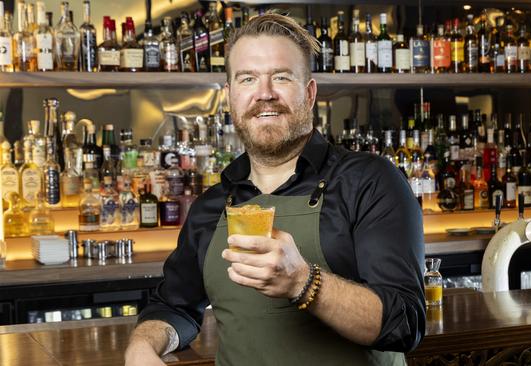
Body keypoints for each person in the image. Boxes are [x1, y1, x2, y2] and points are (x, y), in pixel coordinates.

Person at [125, 13, 425, 366]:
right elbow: (173, 305)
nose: (264, 94)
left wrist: (303, 282)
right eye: (248, 79)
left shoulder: (369, 182)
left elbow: (405, 322)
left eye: (281, 77)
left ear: (309, 93)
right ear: (230, 96)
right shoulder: (213, 205)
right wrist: (142, 346)